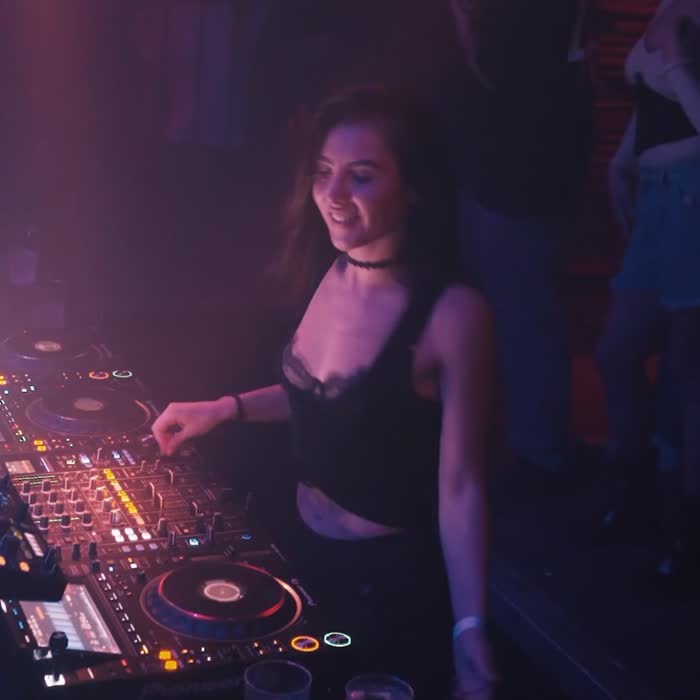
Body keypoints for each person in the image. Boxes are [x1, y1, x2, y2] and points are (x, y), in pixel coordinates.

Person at [152, 85, 497, 698]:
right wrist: (226, 408)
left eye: (360, 176)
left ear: (414, 187)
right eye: (323, 171)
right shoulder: (334, 269)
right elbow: (323, 399)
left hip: (384, 586)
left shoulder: (454, 314)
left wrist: (470, 627)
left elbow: (462, 485)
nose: (333, 195)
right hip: (299, 554)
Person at [447, 0, 595, 476]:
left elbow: (509, 72)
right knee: (519, 315)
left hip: (514, 174)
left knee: (521, 317)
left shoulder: (525, 19)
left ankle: (536, 450)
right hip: (512, 171)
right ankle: (527, 445)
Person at [597, 0, 700, 580]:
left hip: (693, 195)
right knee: (617, 354)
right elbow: (653, 100)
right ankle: (636, 496)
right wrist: (621, 161)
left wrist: (678, 58)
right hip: (659, 193)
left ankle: (682, 533)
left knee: (688, 376)